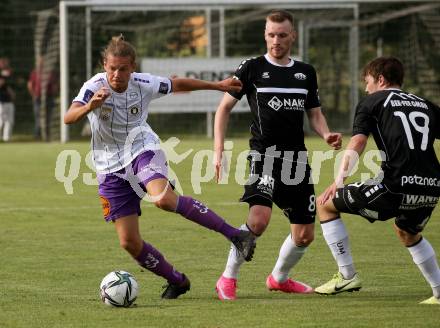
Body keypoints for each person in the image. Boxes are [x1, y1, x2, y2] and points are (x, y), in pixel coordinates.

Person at [64, 35, 256, 300]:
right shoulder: (93, 86)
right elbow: (68, 117)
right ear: (104, 65)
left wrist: (218, 85)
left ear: (132, 67)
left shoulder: (143, 83)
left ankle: (236, 235)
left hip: (142, 149)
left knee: (163, 199)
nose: (117, 74)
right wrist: (90, 106)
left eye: (123, 69)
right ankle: (177, 280)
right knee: (129, 243)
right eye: (112, 68)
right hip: (109, 168)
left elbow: (177, 83)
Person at [213, 10, 342, 300]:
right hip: (264, 156)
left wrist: (326, 134)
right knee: (258, 221)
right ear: (265, 35)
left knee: (305, 235)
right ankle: (227, 277)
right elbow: (223, 109)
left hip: (296, 160)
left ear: (292, 36)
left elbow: (315, 115)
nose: (276, 40)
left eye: (282, 35)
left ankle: (279, 279)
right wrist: (218, 147)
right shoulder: (252, 68)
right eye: (271, 35)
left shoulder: (306, 72)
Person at [315, 56, 440, 305]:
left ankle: (347, 275)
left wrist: (339, 180)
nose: (366, 87)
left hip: (395, 185)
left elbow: (358, 142)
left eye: (368, 81)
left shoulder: (373, 102)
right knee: (407, 232)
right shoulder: (425, 104)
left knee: (325, 204)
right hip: (431, 186)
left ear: (380, 79)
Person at [27, 56, 57, 140]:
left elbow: (54, 85)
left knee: (48, 117)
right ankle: (37, 135)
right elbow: (29, 84)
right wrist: (33, 95)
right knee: (38, 117)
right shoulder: (34, 73)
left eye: (43, 62)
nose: (41, 64)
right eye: (40, 62)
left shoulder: (49, 73)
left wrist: (53, 93)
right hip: (38, 98)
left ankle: (47, 135)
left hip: (49, 97)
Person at [0, 71, 15, 142]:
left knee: (9, 121)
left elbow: (11, 93)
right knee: (1, 121)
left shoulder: (10, 80)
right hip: (2, 103)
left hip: (9, 103)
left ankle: (6, 138)